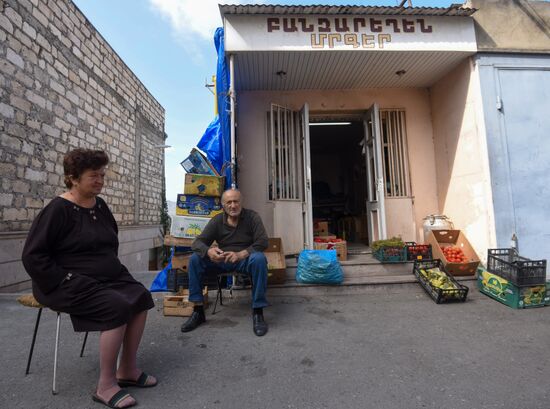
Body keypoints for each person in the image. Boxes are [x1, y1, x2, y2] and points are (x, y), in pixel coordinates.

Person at [22, 149, 156, 409]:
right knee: (115, 306)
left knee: (141, 297)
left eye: (102, 175)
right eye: (94, 176)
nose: (100, 181)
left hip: (103, 278)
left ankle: (126, 369)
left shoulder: (100, 205)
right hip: (61, 282)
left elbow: (108, 243)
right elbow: (33, 256)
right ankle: (105, 385)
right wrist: (63, 279)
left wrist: (111, 271)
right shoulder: (58, 209)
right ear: (73, 178)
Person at [180, 188, 270, 336]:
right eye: (229, 202)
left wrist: (241, 254)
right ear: (223, 205)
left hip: (245, 260)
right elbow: (197, 243)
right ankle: (198, 311)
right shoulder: (217, 220)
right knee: (195, 259)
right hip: (222, 260)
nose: (233, 206)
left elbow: (263, 241)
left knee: (259, 259)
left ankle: (258, 312)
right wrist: (209, 251)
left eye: (236, 201)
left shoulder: (252, 217)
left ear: (241, 203)